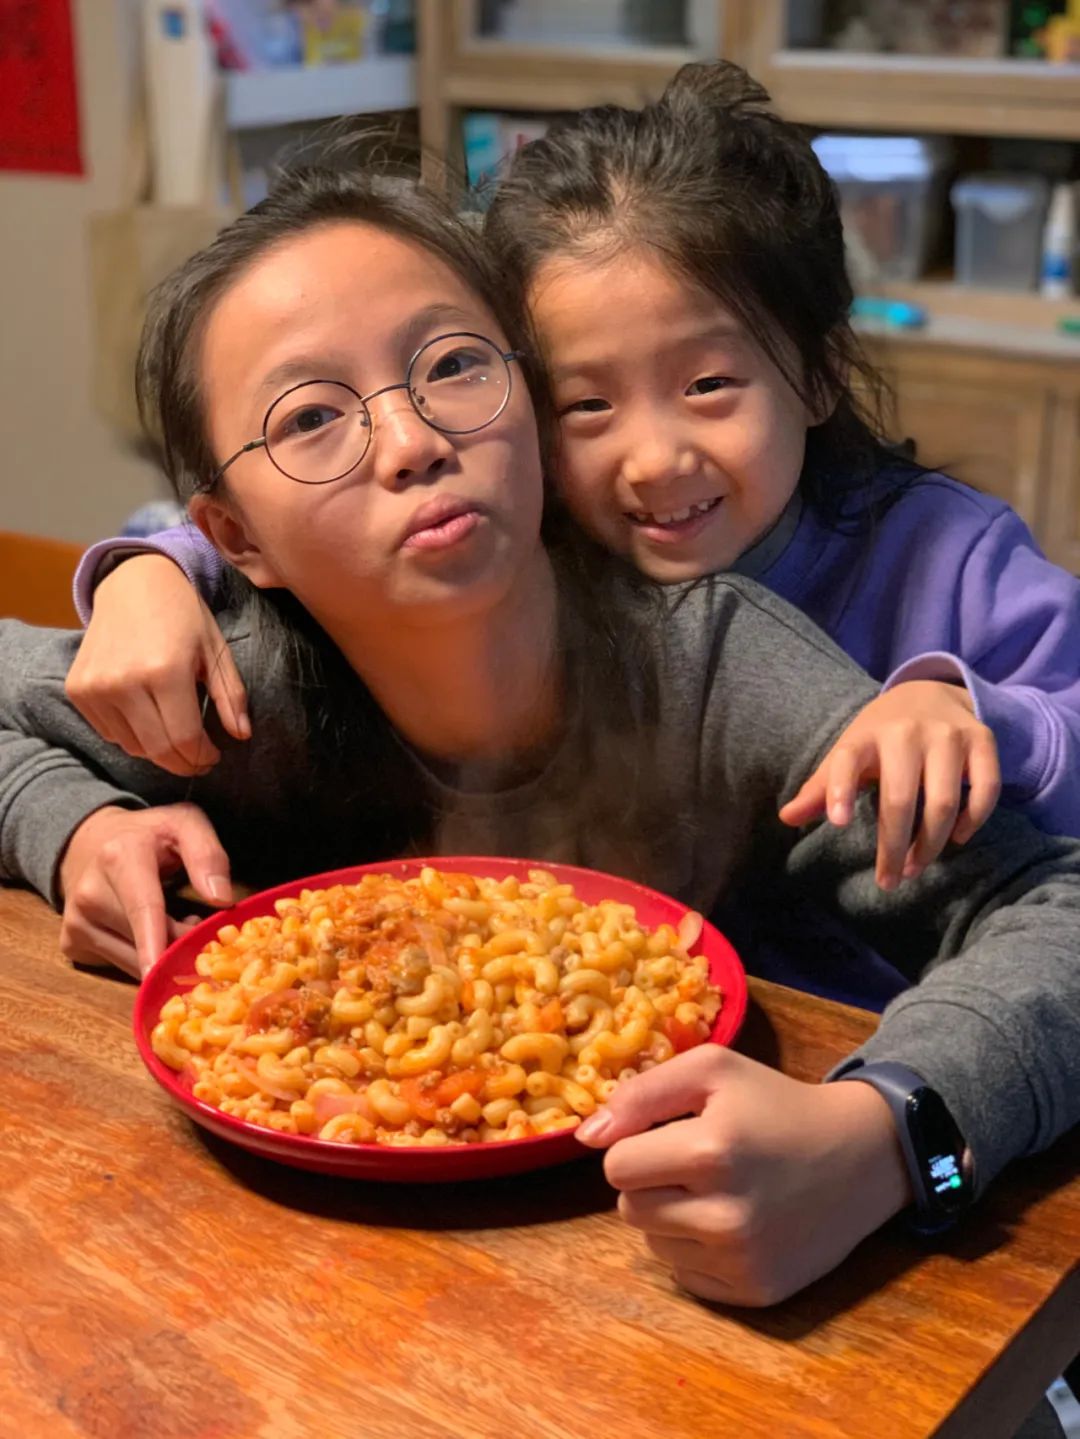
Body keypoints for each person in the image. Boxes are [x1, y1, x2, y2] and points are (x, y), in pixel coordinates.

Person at [3, 146, 1078, 1334]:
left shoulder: (715, 663)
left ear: (528, 406)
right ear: (235, 537)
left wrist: (890, 1137)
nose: (411, 442)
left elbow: (1055, 909)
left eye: (454, 365)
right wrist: (74, 822)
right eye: (310, 417)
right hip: (270, 1303)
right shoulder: (234, 687)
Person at [70, 63, 1080, 877]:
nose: (655, 458)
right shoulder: (542, 528)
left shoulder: (945, 555)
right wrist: (145, 573)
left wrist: (968, 710)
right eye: (585, 404)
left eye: (709, 385)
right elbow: (288, 524)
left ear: (817, 377)